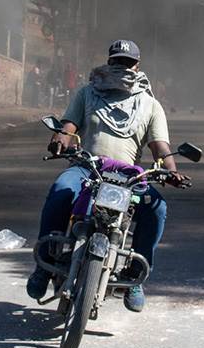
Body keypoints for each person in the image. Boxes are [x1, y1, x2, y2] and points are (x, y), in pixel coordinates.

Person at [26, 39, 187, 312]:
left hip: (129, 177)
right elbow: (68, 125)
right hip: (86, 168)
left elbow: (160, 145)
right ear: (108, 62)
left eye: (127, 63)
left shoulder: (150, 105)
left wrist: (171, 172)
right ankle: (44, 265)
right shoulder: (87, 93)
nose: (121, 67)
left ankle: (135, 276)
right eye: (117, 62)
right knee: (59, 190)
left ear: (137, 66)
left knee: (157, 207)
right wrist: (59, 140)